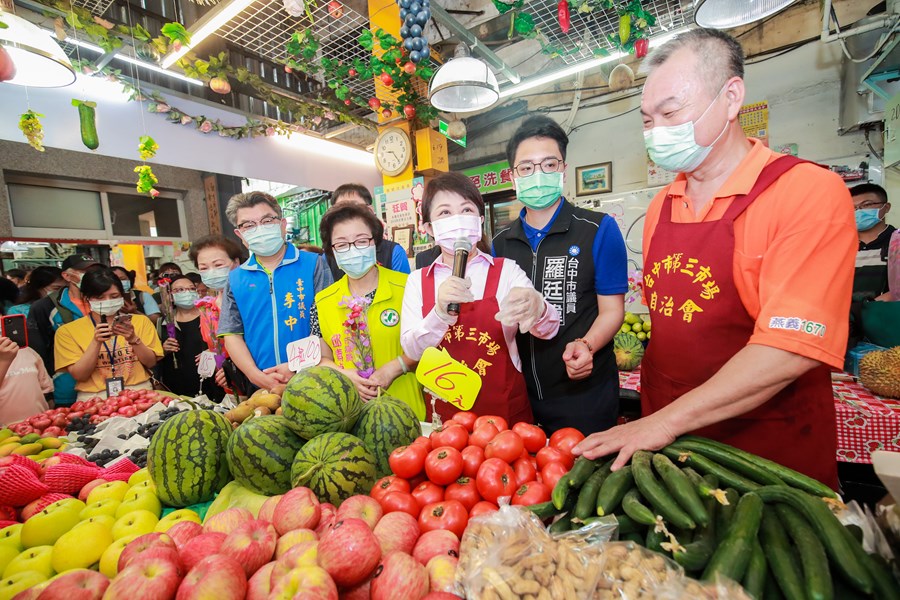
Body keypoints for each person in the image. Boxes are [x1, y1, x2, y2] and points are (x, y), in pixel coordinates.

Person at [573, 28, 856, 489]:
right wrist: (658, 421)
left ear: (731, 97)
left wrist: (663, 422)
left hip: (765, 447)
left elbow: (790, 347)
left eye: (671, 111)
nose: (657, 130)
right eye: (647, 119)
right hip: (668, 446)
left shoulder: (806, 192)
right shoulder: (662, 205)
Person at [492, 115, 628, 436]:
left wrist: (588, 345)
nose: (537, 175)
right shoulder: (499, 244)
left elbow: (613, 310)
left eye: (548, 164)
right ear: (513, 177)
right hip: (522, 396)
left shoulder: (598, 229)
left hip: (585, 395)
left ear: (563, 169)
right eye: (526, 168)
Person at [401, 172, 560, 424]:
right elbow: (412, 349)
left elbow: (549, 331)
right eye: (444, 212)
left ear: (480, 220)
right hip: (445, 418)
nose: (457, 219)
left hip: (504, 413)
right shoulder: (417, 281)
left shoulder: (506, 270)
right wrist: (439, 314)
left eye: (466, 209)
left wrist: (538, 308)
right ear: (429, 228)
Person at [312, 203, 424, 418]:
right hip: (352, 416)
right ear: (331, 251)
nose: (353, 250)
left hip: (410, 411)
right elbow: (321, 357)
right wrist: (344, 374)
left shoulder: (410, 287)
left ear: (375, 242)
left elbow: (431, 343)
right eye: (342, 245)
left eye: (361, 241)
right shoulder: (322, 301)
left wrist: (396, 367)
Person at [218, 192, 334, 392]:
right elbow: (232, 335)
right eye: (248, 225)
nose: (259, 229)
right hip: (260, 385)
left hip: (313, 380)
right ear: (240, 234)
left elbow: (327, 326)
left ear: (282, 224)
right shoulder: (236, 279)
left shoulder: (314, 264)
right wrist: (255, 375)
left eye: (267, 220)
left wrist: (297, 367)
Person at [54, 269, 162, 401]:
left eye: (114, 296)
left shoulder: (140, 322)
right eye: (100, 297)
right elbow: (80, 375)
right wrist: (96, 342)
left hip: (139, 392)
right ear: (87, 298)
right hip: (94, 398)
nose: (108, 301)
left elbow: (151, 363)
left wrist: (134, 339)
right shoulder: (67, 331)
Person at [27, 253, 102, 406]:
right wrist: (47, 392)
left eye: (94, 271)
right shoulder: (45, 307)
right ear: (67, 275)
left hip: (105, 385)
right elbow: (38, 351)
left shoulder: (107, 302)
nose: (90, 276)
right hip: (66, 388)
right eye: (84, 271)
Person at [189, 235, 244, 394]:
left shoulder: (248, 300)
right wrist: (212, 354)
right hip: (228, 388)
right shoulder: (206, 307)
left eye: (218, 265)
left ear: (236, 263)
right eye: (204, 268)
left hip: (254, 380)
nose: (211, 272)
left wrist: (233, 370)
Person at [157, 275, 224, 401]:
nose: (186, 293)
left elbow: (227, 344)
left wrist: (214, 351)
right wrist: (163, 349)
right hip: (177, 388)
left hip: (213, 385)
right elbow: (155, 357)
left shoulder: (210, 317)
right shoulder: (163, 323)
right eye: (180, 290)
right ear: (170, 295)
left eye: (191, 289)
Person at [326, 184, 411, 280]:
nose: (349, 216)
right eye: (341, 211)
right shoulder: (328, 257)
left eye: (355, 209)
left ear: (370, 211)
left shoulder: (393, 252)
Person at [0, 336, 53, 425]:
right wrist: (4, 361)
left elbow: (45, 390)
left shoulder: (27, 351)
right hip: (5, 431)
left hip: (39, 425)